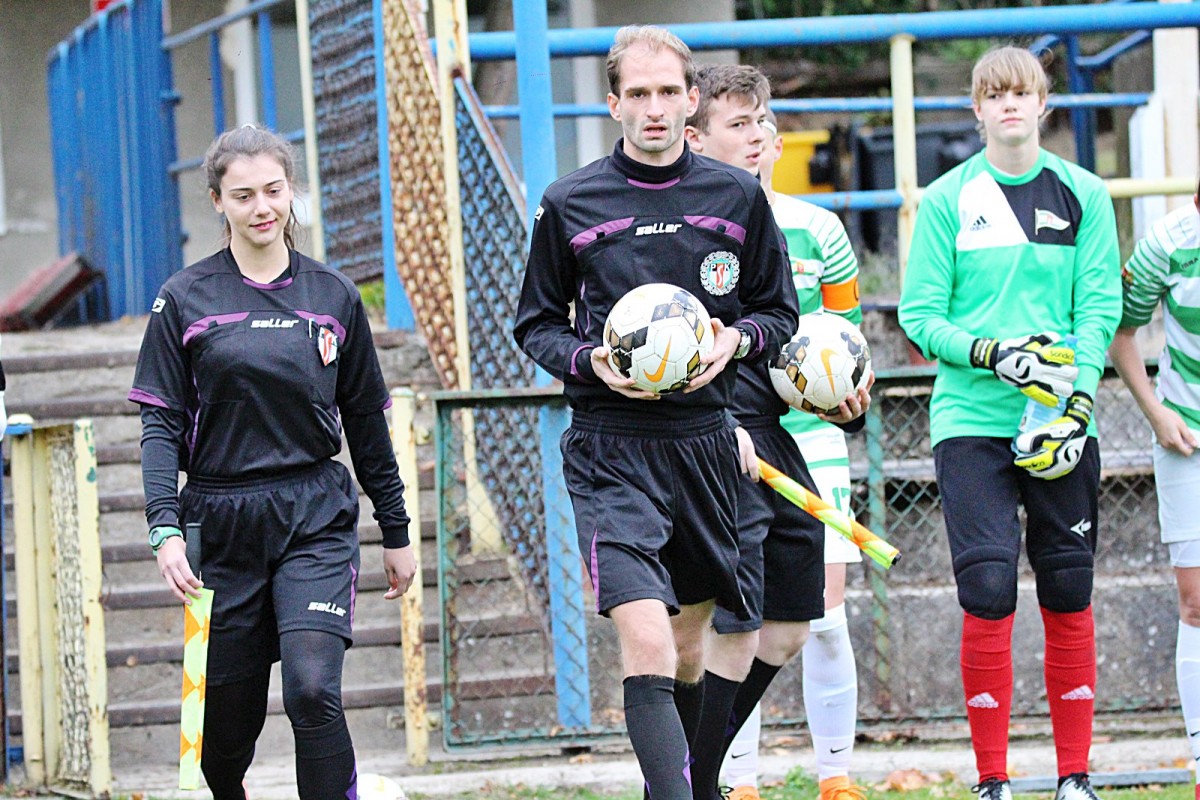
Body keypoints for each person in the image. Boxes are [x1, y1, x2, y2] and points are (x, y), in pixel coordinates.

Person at [512, 26, 799, 800]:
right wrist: (592, 361)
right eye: (637, 93)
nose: (654, 108)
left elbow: (778, 312)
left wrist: (733, 341)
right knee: (644, 635)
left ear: (691, 99)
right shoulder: (569, 202)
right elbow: (535, 324)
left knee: (686, 648)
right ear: (613, 104)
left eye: (669, 91)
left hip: (704, 443)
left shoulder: (736, 197)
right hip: (611, 447)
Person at [128, 124, 417, 800]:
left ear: (291, 193)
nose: (262, 207)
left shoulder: (334, 296)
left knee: (313, 690)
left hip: (314, 515)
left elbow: (365, 422)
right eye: (243, 195)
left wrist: (397, 529)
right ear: (217, 201)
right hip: (219, 523)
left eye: (274, 191)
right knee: (225, 734)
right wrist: (164, 527)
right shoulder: (183, 298)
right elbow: (159, 424)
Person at [898, 46, 1121, 800]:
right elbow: (920, 315)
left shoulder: (1085, 193)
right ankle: (992, 780)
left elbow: (1099, 306)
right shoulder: (946, 199)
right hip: (971, 419)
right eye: (995, 95)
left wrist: (1079, 398)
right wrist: (992, 353)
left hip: (1062, 421)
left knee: (1068, 586)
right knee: (989, 588)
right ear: (977, 109)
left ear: (1044, 103)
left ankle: (1074, 778)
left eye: (1022, 93)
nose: (1010, 105)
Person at [684, 67, 870, 800]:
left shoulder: (818, 229)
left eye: (762, 120)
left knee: (806, 621)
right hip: (718, 440)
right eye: (739, 123)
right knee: (729, 625)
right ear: (698, 138)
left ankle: (829, 775)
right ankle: (721, 779)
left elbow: (844, 339)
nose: (758, 135)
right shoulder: (690, 231)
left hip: (803, 437)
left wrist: (847, 396)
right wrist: (715, 422)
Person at [1109, 184, 1200, 800]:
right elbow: (1122, 334)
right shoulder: (1167, 243)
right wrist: (1155, 413)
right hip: (1187, 438)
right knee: (1197, 605)